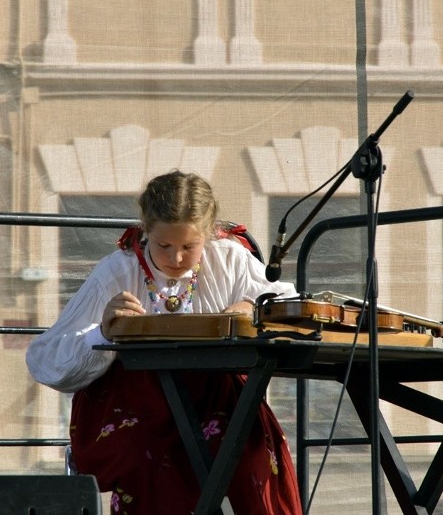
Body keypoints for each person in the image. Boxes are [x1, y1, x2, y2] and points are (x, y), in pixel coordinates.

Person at [26, 170, 303, 515]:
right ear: (145, 229)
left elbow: (288, 305)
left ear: (209, 234)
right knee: (151, 458)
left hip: (217, 399)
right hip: (135, 402)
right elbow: (44, 359)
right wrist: (104, 332)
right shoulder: (117, 272)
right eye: (164, 246)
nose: (175, 259)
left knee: (249, 455)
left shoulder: (229, 259)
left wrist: (252, 307)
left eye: (189, 247)